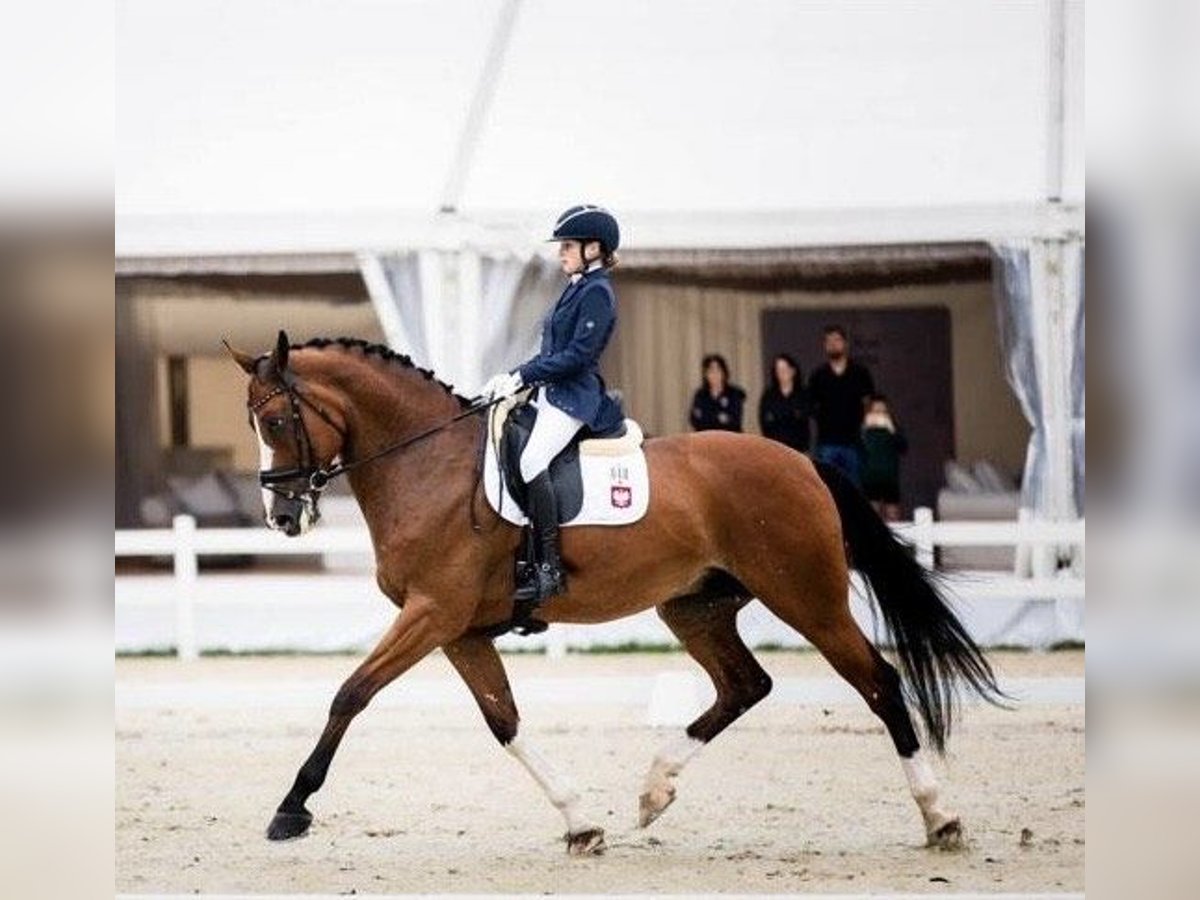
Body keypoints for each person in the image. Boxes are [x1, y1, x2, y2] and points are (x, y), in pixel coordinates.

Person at [479, 205, 625, 606]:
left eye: (568, 245)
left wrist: (523, 376)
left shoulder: (598, 292)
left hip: (574, 397)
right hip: (551, 392)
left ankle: (549, 567)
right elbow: (552, 350)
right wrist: (513, 375)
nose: (561, 252)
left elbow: (578, 355)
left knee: (531, 461)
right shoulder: (578, 285)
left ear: (593, 248)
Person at [807, 324, 875, 486]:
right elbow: (811, 406)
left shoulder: (860, 373)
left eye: (837, 340)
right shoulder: (818, 376)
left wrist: (863, 426)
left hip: (853, 442)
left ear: (845, 343)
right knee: (828, 490)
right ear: (824, 346)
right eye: (828, 341)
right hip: (826, 442)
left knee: (854, 490)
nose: (833, 344)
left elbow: (868, 403)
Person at [860, 394, 908, 521]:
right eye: (875, 411)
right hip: (870, 478)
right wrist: (864, 428)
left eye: (883, 412)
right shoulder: (863, 429)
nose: (879, 415)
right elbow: (857, 449)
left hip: (890, 478)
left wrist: (892, 429)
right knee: (872, 517)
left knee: (893, 517)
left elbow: (903, 448)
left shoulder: (893, 428)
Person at [758, 353, 810, 452]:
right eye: (778, 370)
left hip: (798, 449)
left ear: (793, 371)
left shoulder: (802, 394)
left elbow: (803, 419)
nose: (781, 373)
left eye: (784, 369)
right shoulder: (769, 395)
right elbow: (765, 422)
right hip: (775, 449)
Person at [689, 354, 746, 432]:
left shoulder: (734, 393)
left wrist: (707, 416)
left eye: (718, 370)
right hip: (706, 438)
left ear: (724, 372)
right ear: (705, 374)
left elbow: (734, 421)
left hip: (729, 438)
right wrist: (719, 417)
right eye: (711, 371)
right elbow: (694, 420)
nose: (714, 374)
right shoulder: (700, 394)